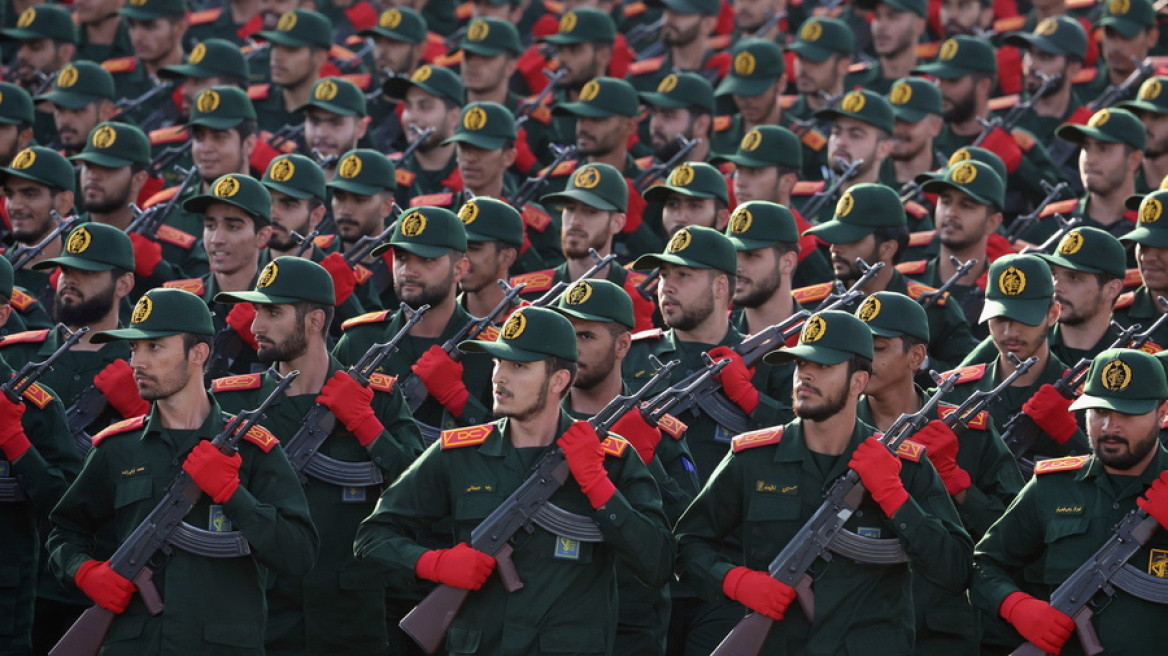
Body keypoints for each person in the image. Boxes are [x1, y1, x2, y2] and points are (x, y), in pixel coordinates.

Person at [354, 305, 673, 655]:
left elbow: (658, 564)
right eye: (497, 363)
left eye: (519, 366)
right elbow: (373, 537)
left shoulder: (612, 459)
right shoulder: (459, 453)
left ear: (558, 380)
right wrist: (433, 563)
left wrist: (599, 485)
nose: (499, 377)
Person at [674, 310, 973, 655]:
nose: (806, 375)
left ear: (858, 382)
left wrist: (896, 498)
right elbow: (688, 544)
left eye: (824, 366)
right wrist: (734, 581)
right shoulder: (752, 459)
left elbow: (956, 570)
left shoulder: (904, 465)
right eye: (801, 364)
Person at [47, 287, 318, 654]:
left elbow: (299, 554)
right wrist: (83, 571)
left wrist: (233, 495)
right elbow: (65, 530)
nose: (137, 362)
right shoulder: (118, 448)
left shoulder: (254, 449)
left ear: (198, 353)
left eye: (155, 347)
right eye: (134, 348)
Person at [212, 256, 422, 655]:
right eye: (256, 311)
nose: (256, 326)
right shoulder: (232, 403)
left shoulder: (377, 398)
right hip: (263, 614)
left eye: (273, 312)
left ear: (314, 321)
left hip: (352, 614)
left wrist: (368, 427)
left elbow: (420, 491)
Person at [854, 291, 1024, 655]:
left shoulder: (970, 432)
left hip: (940, 632)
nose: (862, 359)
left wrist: (958, 487)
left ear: (916, 357)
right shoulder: (836, 429)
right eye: (857, 346)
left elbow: (1017, 537)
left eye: (878, 348)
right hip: (856, 626)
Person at [971, 347, 1168, 656]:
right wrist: (1015, 606)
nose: (1109, 427)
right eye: (1098, 412)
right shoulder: (1053, 486)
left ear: (1163, 413)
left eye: (1127, 414)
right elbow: (984, 563)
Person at [553, 278, 697, 656]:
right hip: (549, 614)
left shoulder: (656, 431)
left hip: (630, 619)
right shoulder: (537, 421)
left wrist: (648, 461)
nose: (572, 348)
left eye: (586, 336)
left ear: (622, 346)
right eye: (566, 334)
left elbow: (691, 530)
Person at [333, 206, 496, 438]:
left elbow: (518, 445)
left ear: (459, 269)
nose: (408, 270)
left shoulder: (489, 351)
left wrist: (461, 402)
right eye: (401, 257)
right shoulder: (361, 340)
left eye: (426, 259)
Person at [797, 183, 976, 373]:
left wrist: (919, 363)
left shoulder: (936, 309)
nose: (835, 248)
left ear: (888, 248)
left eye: (851, 239)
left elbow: (965, 376)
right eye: (834, 239)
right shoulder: (810, 306)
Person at [940, 254, 1091, 460]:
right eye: (1000, 318)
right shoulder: (955, 393)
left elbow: (1114, 473)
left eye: (1024, 319)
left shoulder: (1084, 398)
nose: (1010, 332)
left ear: (1053, 314)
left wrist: (1071, 437)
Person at [512, 162, 655, 330]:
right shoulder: (526, 293)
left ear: (617, 223)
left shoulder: (645, 296)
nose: (575, 221)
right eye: (570, 209)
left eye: (590, 211)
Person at [1023, 108, 1146, 245]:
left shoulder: (1148, 229)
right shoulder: (1050, 223)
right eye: (1086, 147)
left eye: (1103, 149)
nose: (1089, 159)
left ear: (1134, 159)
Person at [0, 146, 78, 311]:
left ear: (64, 202)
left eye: (30, 194)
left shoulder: (86, 275)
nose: (15, 206)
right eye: (10, 194)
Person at [34, 61, 117, 157]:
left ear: (106, 112)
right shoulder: (48, 161)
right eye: (59, 109)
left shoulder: (128, 163)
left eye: (77, 110)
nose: (65, 120)